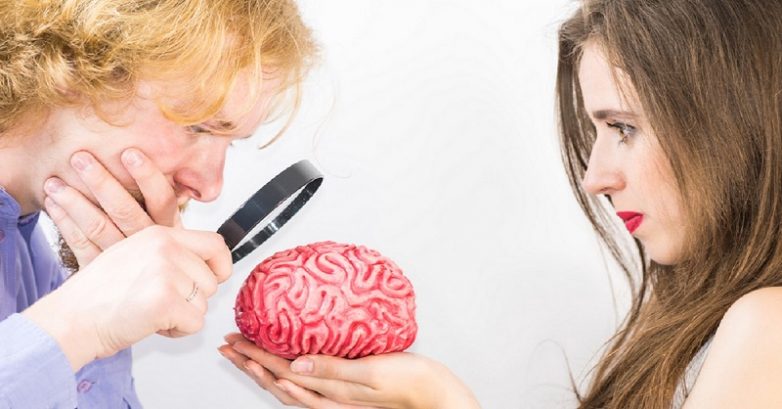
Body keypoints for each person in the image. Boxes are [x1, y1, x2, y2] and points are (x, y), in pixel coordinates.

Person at [218, 0, 782, 407]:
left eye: (624, 128)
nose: (595, 178)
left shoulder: (768, 324)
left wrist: (439, 399)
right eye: (599, 131)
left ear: (737, 122)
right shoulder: (707, 319)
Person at [0, 0, 315, 407]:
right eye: (196, 126)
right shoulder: (62, 303)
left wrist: (104, 309)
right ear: (70, 69)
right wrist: (78, 325)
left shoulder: (31, 258)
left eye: (230, 143)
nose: (210, 187)